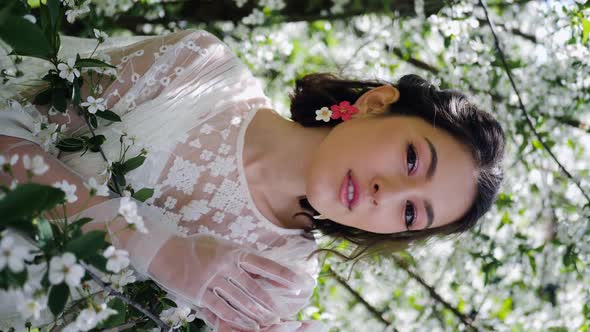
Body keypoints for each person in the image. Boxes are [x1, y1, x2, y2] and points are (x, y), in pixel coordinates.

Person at [0, 28, 505, 331]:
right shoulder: (198, 68)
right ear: (375, 104)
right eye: (413, 160)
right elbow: (9, 119)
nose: (387, 193)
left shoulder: (278, 281)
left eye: (411, 213)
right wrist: (156, 247)